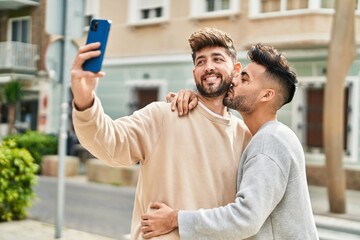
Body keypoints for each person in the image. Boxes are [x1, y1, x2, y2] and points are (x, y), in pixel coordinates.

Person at [70, 27, 251, 239]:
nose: (208, 67)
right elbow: (108, 142)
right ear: (194, 73)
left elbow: (243, 215)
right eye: (200, 62)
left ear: (236, 69)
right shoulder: (162, 115)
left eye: (217, 59)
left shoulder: (245, 137)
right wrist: (84, 97)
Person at [140, 44, 319, 239]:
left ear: (266, 95)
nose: (234, 81)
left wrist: (175, 219)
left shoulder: (268, 142)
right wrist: (193, 100)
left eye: (244, 79)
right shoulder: (268, 136)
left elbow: (245, 218)